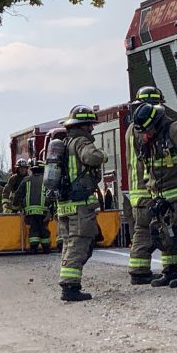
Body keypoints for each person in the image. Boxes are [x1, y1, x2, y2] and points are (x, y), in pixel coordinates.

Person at [132, 101, 177, 288]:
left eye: (148, 129)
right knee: (166, 234)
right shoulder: (155, 138)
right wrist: (151, 188)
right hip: (162, 195)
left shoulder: (175, 130)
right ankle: (170, 271)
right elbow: (150, 166)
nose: (146, 134)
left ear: (155, 123)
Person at [124, 86, 177, 285]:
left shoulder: (132, 127)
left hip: (138, 191)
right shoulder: (142, 127)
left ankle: (158, 269)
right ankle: (141, 272)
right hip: (147, 189)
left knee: (148, 230)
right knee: (151, 231)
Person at [56, 105, 107, 302]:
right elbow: (91, 157)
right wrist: (103, 155)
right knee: (79, 243)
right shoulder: (80, 142)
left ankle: (68, 283)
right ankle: (70, 287)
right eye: (90, 126)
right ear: (84, 126)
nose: (92, 129)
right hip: (79, 204)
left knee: (70, 243)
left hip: (64, 205)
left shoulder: (64, 144)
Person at [13, 159, 51, 254]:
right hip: (44, 211)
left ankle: (33, 249)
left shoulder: (26, 180)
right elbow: (52, 195)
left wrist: (14, 207)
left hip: (30, 212)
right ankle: (46, 249)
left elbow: (18, 195)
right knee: (44, 229)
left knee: (33, 229)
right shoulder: (47, 181)